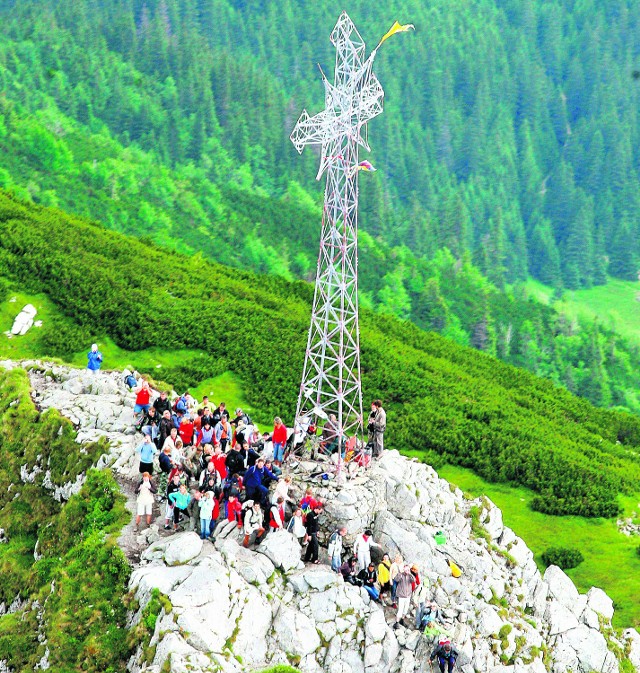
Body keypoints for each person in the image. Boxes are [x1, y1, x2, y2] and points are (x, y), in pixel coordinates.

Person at [393, 564, 415, 629]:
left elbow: (414, 580)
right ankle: (396, 623)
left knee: (405, 610)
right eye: (406, 569)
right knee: (400, 610)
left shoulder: (410, 576)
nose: (407, 571)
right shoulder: (401, 575)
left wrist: (410, 573)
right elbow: (396, 579)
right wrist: (400, 572)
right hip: (401, 596)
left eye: (408, 569)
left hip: (408, 596)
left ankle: (402, 620)